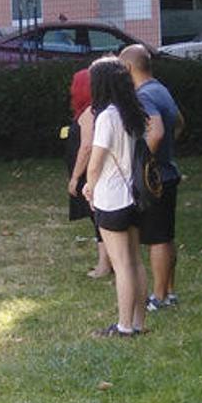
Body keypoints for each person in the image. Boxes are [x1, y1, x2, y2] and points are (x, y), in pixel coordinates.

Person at [82, 58, 150, 338]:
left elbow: (96, 162)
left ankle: (123, 327)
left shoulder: (107, 116)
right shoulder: (132, 112)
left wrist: (88, 185)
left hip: (111, 198)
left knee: (121, 265)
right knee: (135, 261)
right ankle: (139, 323)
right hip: (134, 195)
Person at [121, 44, 184, 311]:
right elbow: (179, 122)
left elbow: (155, 132)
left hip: (155, 178)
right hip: (169, 172)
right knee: (166, 235)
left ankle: (157, 298)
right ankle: (169, 291)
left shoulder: (143, 95)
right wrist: (167, 150)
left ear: (127, 68)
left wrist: (143, 161)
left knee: (157, 238)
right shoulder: (161, 89)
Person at [66, 67, 109, 279]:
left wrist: (75, 177)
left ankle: (104, 265)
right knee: (97, 217)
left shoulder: (90, 112)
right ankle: (106, 262)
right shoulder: (91, 110)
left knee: (98, 216)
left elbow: (87, 146)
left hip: (90, 173)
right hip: (91, 172)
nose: (70, 89)